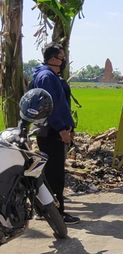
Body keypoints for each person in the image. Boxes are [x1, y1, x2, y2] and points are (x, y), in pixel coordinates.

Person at [31, 42, 80, 224]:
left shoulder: (48, 75)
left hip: (52, 132)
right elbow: (52, 107)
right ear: (53, 59)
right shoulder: (47, 77)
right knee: (55, 175)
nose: (65, 60)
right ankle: (57, 213)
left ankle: (46, 210)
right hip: (52, 133)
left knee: (49, 173)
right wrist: (61, 130)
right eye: (62, 57)